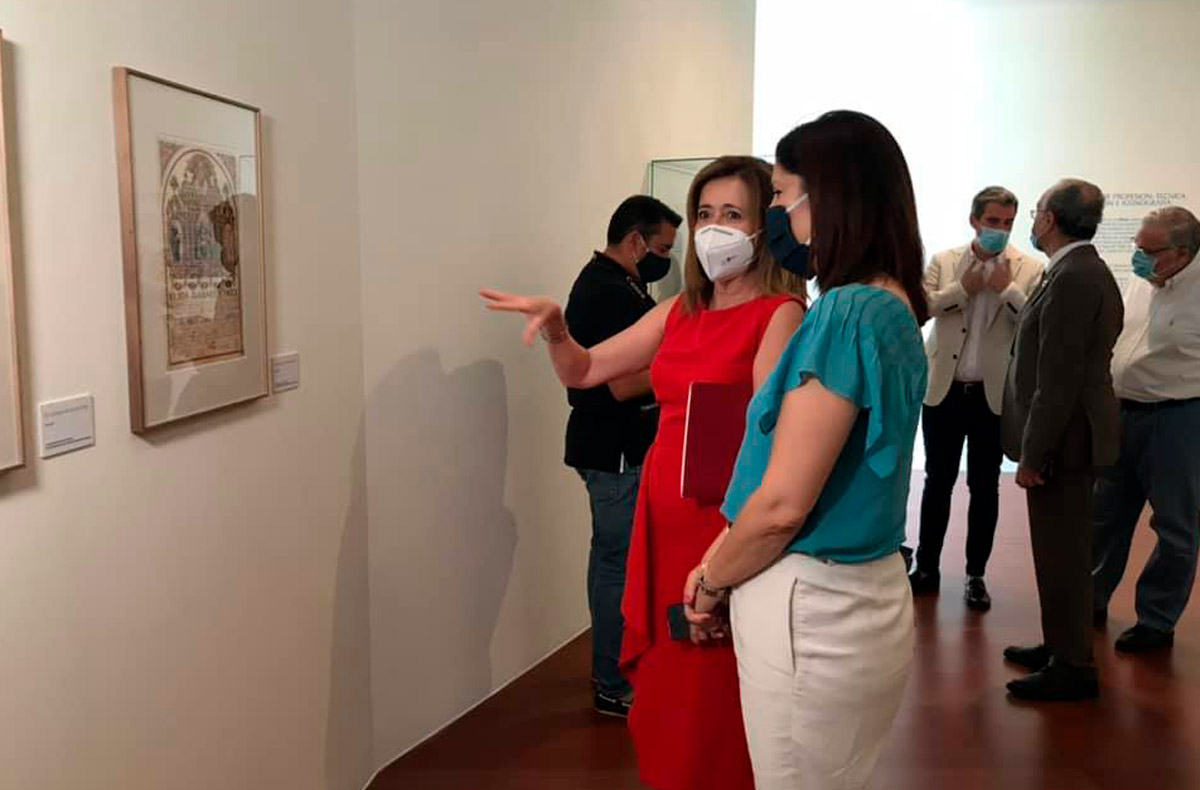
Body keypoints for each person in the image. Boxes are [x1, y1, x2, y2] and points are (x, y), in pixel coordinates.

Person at [482, 156, 806, 790]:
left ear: (764, 228)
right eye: (704, 214)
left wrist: (728, 554)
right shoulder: (680, 309)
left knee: (711, 691)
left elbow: (773, 444)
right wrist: (556, 328)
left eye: (732, 214)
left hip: (718, 525)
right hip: (661, 520)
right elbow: (584, 371)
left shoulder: (781, 313)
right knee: (664, 688)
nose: (715, 229)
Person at [683, 110, 929, 790]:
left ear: (829, 197)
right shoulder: (893, 304)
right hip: (857, 589)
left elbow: (784, 504)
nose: (781, 216)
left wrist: (710, 578)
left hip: (810, 602)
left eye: (785, 195)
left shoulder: (846, 312)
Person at [1001, 179, 1123, 701]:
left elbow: (1058, 379)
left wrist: (1034, 454)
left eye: (1034, 212)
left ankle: (1073, 665)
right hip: (1066, 438)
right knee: (1057, 551)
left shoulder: (1076, 276)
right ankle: (1060, 645)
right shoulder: (1073, 270)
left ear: (1049, 219)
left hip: (1065, 443)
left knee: (1065, 555)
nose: (1032, 220)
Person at [561, 195, 681, 716]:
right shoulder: (606, 291)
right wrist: (687, 369)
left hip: (614, 448)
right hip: (612, 453)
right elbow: (617, 383)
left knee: (608, 561)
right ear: (635, 240)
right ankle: (612, 681)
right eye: (662, 248)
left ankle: (610, 669)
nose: (666, 259)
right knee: (614, 565)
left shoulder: (621, 284)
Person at [910, 187, 1044, 610]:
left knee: (985, 487)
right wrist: (962, 289)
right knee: (937, 482)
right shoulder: (944, 261)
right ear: (974, 221)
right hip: (945, 390)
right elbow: (922, 308)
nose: (999, 231)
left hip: (993, 396)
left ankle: (975, 575)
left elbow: (1038, 323)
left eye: (1007, 224)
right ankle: (927, 567)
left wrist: (1007, 291)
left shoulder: (1030, 268)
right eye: (992, 222)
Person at [1093, 206, 1200, 653]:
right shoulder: (1143, 278)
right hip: (1124, 412)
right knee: (1105, 514)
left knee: (1175, 525)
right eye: (1137, 246)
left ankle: (1156, 620)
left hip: (1179, 418)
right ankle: (1091, 599)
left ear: (1182, 253)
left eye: (1149, 251)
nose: (1138, 257)